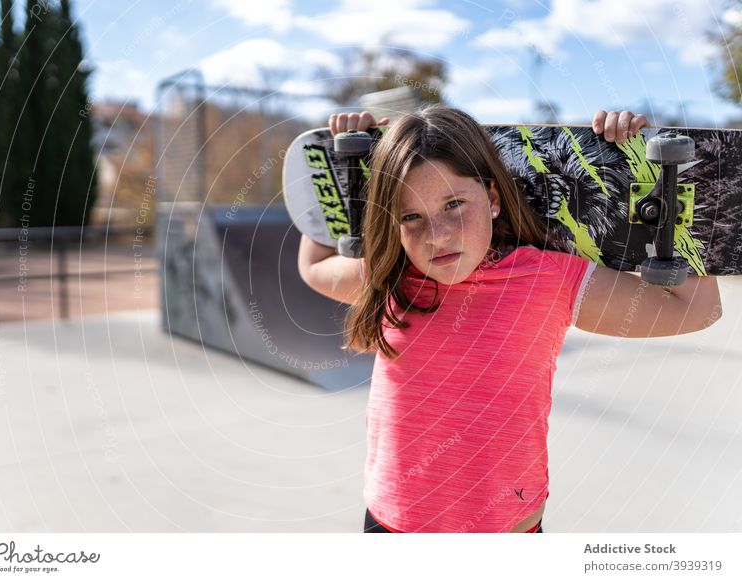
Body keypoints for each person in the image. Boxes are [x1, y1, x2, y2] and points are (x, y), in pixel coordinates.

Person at [297, 106, 723, 533]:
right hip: (391, 528)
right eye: (411, 216)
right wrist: (337, 173)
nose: (438, 234)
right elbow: (314, 267)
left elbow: (697, 309)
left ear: (493, 199)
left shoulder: (547, 279)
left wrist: (662, 179)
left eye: (454, 203)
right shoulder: (390, 276)